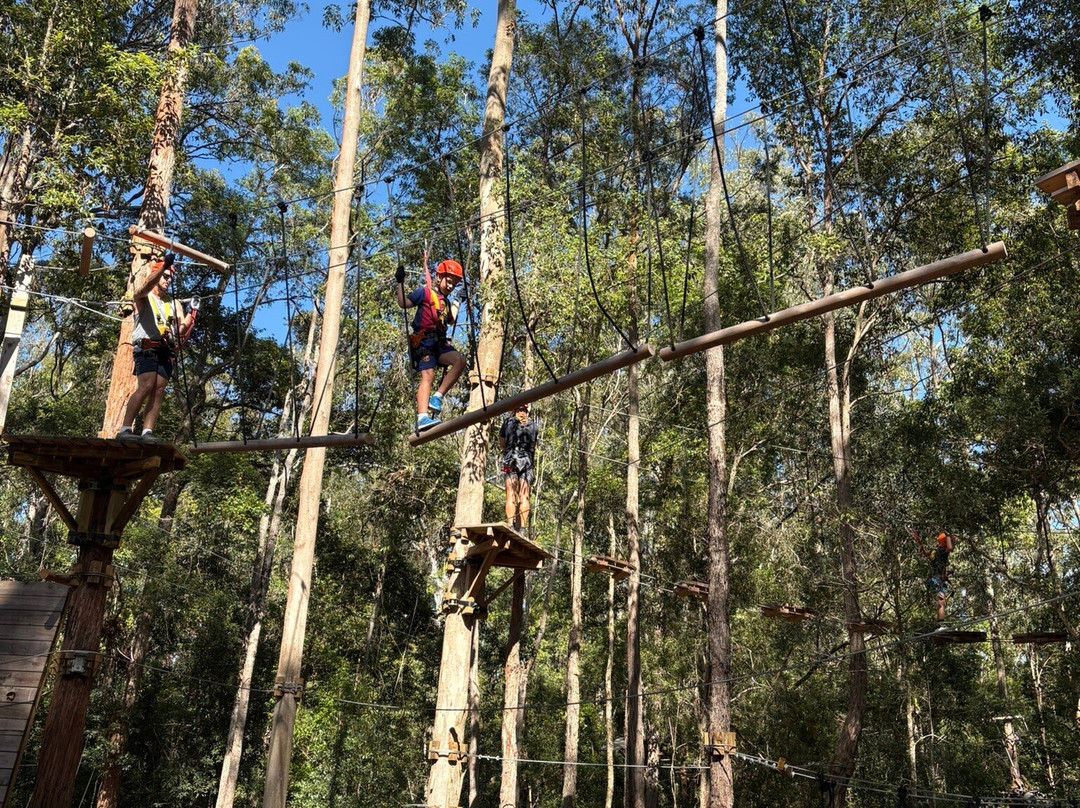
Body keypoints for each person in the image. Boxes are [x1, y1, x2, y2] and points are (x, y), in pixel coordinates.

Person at [117, 253, 198, 440]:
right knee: (145, 385)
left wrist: (192, 312)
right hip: (146, 347)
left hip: (164, 349)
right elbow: (145, 285)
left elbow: (179, 328)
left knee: (159, 389)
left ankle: (147, 432)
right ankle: (125, 429)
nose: (169, 280)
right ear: (158, 274)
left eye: (171, 278)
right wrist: (163, 266)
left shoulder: (174, 303)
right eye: (165, 276)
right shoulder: (143, 296)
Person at [395, 258, 466, 431]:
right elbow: (403, 303)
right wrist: (400, 283)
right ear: (439, 276)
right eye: (449, 281)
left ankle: (437, 396)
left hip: (439, 344)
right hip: (423, 342)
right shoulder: (424, 293)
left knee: (460, 361)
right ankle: (422, 417)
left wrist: (458, 301)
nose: (450, 286)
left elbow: (450, 320)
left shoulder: (446, 302)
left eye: (454, 284)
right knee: (428, 375)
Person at [499, 403, 539, 529]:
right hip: (525, 460)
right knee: (522, 495)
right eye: (520, 410)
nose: (522, 413)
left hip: (512, 458)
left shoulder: (507, 422)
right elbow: (534, 444)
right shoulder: (533, 426)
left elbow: (502, 443)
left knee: (513, 494)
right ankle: (520, 528)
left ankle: (514, 526)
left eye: (523, 411)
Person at [912, 530, 955, 622]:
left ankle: (939, 622)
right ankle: (940, 623)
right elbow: (950, 548)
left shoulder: (934, 551)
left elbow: (924, 554)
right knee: (941, 602)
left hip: (932, 578)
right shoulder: (943, 551)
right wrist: (948, 536)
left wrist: (918, 541)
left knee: (940, 602)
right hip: (938, 578)